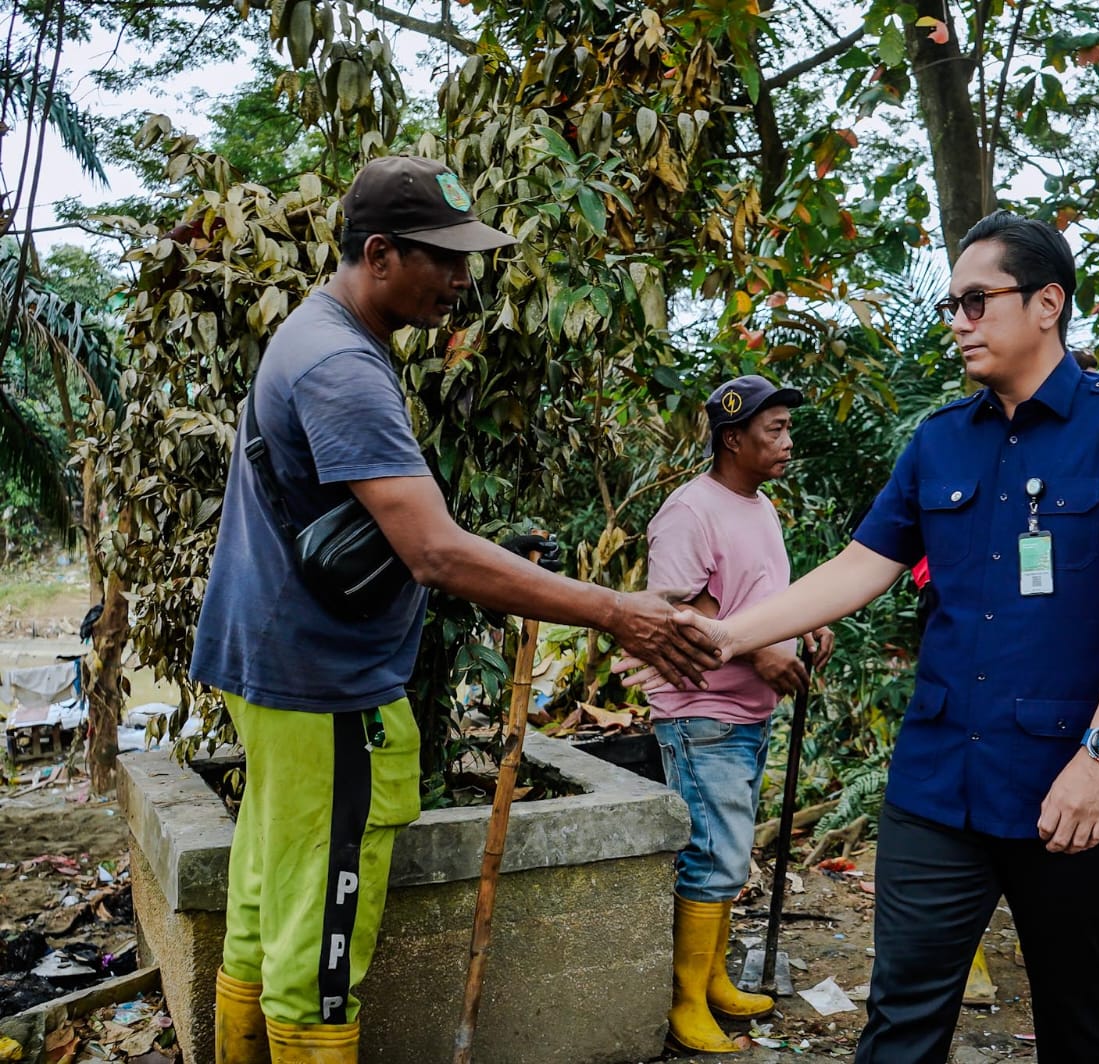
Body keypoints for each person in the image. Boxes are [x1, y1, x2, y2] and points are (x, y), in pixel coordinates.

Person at [628, 210, 1099, 1062]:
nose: (960, 322)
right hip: (939, 779)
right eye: (952, 306)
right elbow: (861, 567)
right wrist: (719, 637)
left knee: (1077, 1011)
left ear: (1048, 303)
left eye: (978, 301)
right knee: (900, 1018)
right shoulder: (940, 440)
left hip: (1071, 779)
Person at [189, 155, 719, 1064]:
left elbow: (401, 528)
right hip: (326, 687)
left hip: (276, 665)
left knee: (268, 901)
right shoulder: (342, 368)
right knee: (318, 952)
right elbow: (432, 550)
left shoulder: (314, 334)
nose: (464, 280)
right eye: (447, 258)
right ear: (383, 254)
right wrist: (613, 610)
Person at [645, 375, 834, 1053]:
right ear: (732, 439)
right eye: (774, 429)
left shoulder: (761, 507)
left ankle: (714, 981)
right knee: (711, 861)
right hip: (700, 711)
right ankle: (684, 1002)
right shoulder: (689, 511)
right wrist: (760, 657)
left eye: (787, 427)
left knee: (725, 857)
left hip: (742, 715)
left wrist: (804, 630)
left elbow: (758, 602)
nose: (788, 440)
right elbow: (677, 607)